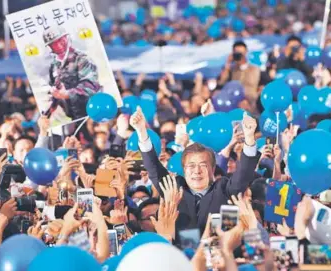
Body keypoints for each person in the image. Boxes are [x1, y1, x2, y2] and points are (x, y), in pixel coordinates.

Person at [129, 106, 260, 238]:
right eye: (191, 166)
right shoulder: (174, 189)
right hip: (180, 256)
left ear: (213, 169)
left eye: (203, 165)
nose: (197, 171)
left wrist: (249, 138)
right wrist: (142, 133)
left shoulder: (225, 189)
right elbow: (153, 168)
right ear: (184, 170)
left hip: (219, 254)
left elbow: (244, 174)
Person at [43, 26, 101, 121]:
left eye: (60, 40)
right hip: (72, 116)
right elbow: (55, 91)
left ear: (67, 38)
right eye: (53, 44)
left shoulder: (82, 59)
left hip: (92, 112)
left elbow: (90, 87)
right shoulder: (54, 66)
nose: (58, 45)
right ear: (49, 47)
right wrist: (48, 112)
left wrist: (67, 94)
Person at [218, 41, 261, 107]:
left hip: (250, 100)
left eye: (241, 53)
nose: (239, 55)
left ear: (246, 52)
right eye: (236, 53)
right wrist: (227, 64)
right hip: (233, 99)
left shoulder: (255, 68)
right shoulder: (230, 69)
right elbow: (221, 82)